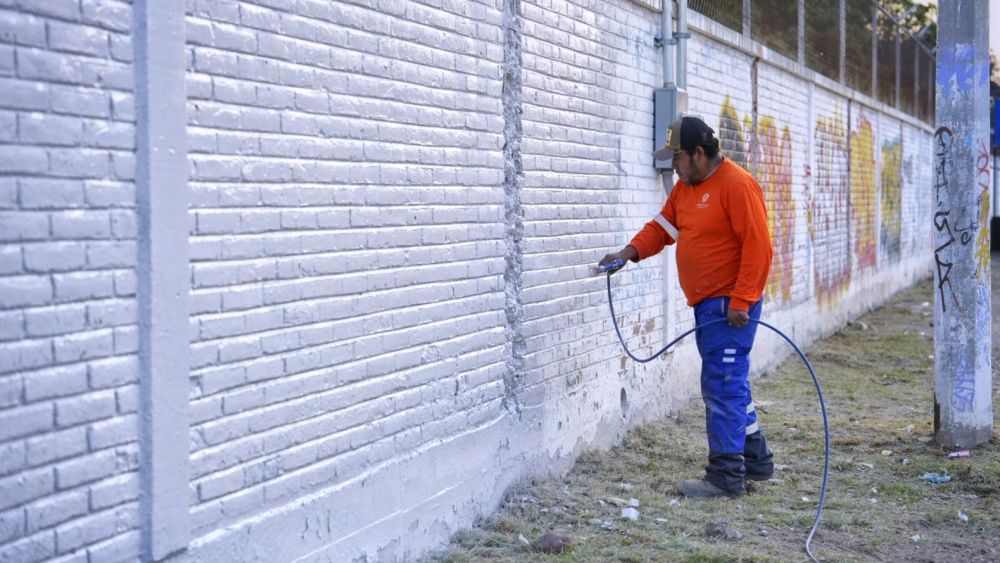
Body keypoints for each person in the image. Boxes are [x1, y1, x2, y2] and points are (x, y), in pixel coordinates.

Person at [598, 116, 774, 499]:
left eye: (676, 158)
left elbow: (759, 248)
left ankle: (726, 477)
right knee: (731, 380)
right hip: (708, 306)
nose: (672, 166)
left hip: (731, 306)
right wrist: (628, 253)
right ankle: (756, 458)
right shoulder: (685, 189)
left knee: (722, 383)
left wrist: (742, 300)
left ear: (699, 154)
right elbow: (663, 228)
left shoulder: (737, 186)